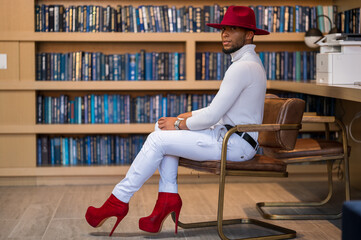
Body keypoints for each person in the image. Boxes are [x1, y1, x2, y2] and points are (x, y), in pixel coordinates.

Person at [85, 6, 270, 237]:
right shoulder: (247, 63)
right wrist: (184, 116)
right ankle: (167, 198)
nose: (224, 34)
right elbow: (218, 111)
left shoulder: (243, 67)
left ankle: (118, 200)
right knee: (160, 129)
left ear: (249, 34)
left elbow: (213, 115)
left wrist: (177, 124)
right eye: (223, 28)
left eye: (232, 29)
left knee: (158, 140)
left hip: (235, 144)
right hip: (229, 136)